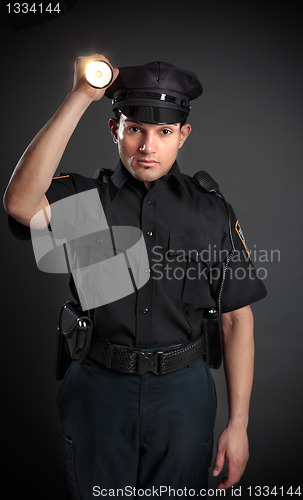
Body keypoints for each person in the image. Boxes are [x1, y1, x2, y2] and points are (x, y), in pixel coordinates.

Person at [4, 54, 267, 499]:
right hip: (98, 392)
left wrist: (238, 425)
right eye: (134, 130)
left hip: (183, 398)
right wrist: (81, 96)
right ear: (115, 131)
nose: (148, 147)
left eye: (163, 132)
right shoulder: (86, 201)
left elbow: (236, 319)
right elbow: (21, 203)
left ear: (183, 136)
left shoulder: (210, 211)